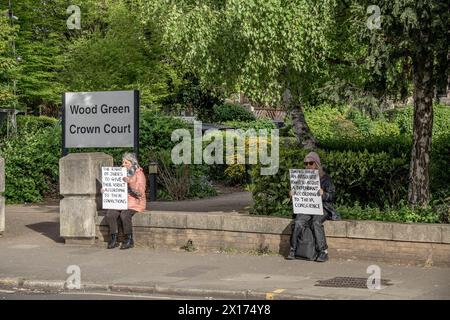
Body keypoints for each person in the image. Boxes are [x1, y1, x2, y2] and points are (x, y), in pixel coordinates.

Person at [287, 151, 340, 262]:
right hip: (307, 207)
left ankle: (323, 252)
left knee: (316, 223)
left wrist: (324, 194)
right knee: (298, 222)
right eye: (306, 164)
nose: (308, 166)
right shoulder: (301, 178)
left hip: (323, 207)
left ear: (317, 164)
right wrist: (292, 195)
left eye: (310, 163)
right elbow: (300, 196)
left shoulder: (326, 179)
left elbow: (332, 196)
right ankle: (293, 249)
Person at [105, 152, 146, 250]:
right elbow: (113, 185)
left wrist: (130, 182)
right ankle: (113, 238)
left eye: (126, 163)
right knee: (110, 214)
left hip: (135, 203)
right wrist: (105, 190)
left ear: (132, 163)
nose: (123, 164)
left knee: (125, 214)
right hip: (120, 202)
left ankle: (129, 239)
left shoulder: (139, 173)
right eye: (123, 162)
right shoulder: (119, 173)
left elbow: (140, 192)